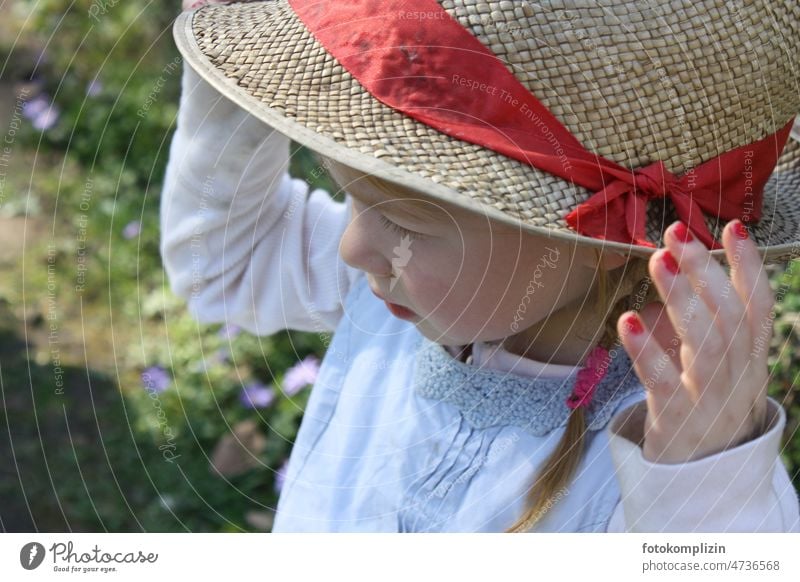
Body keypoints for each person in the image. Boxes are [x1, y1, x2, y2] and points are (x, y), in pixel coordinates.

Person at [161, 0, 800, 531]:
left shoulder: (670, 448)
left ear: (606, 240)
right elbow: (221, 267)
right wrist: (236, 79)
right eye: (354, 199)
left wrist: (710, 477)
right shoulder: (406, 299)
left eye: (406, 223)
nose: (352, 249)